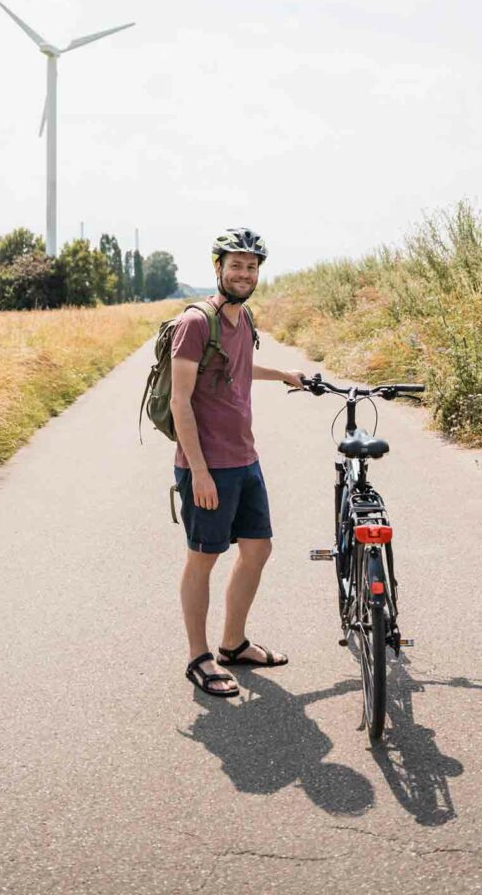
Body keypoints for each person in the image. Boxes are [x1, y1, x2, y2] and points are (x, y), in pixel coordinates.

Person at [170, 228, 305, 697]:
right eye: (236, 265)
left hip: (245, 459)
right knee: (203, 558)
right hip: (208, 466)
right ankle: (198, 656)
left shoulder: (243, 319)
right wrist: (200, 471)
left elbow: (238, 369)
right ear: (218, 268)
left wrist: (282, 373)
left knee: (257, 549)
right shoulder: (195, 323)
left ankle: (232, 643)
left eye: (251, 266)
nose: (244, 273)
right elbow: (180, 400)